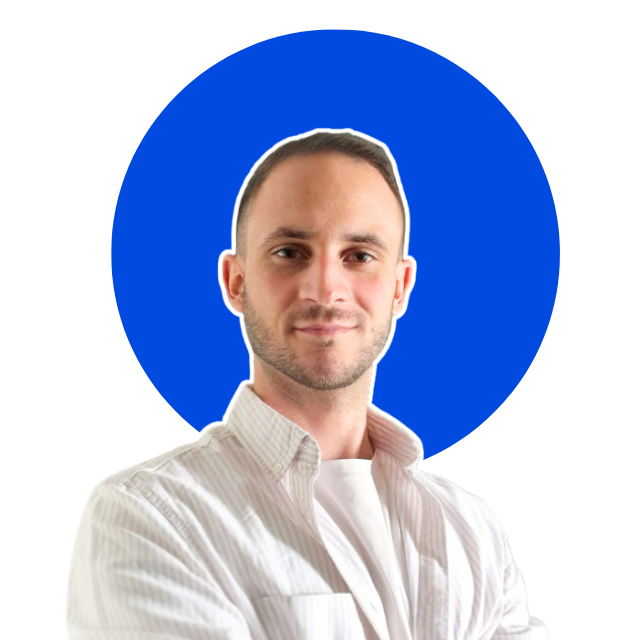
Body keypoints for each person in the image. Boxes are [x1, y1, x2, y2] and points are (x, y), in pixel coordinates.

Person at [63, 129, 553, 639]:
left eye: (359, 255)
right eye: (289, 252)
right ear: (236, 282)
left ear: (400, 287)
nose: (325, 289)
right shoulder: (146, 515)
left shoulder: (473, 527)